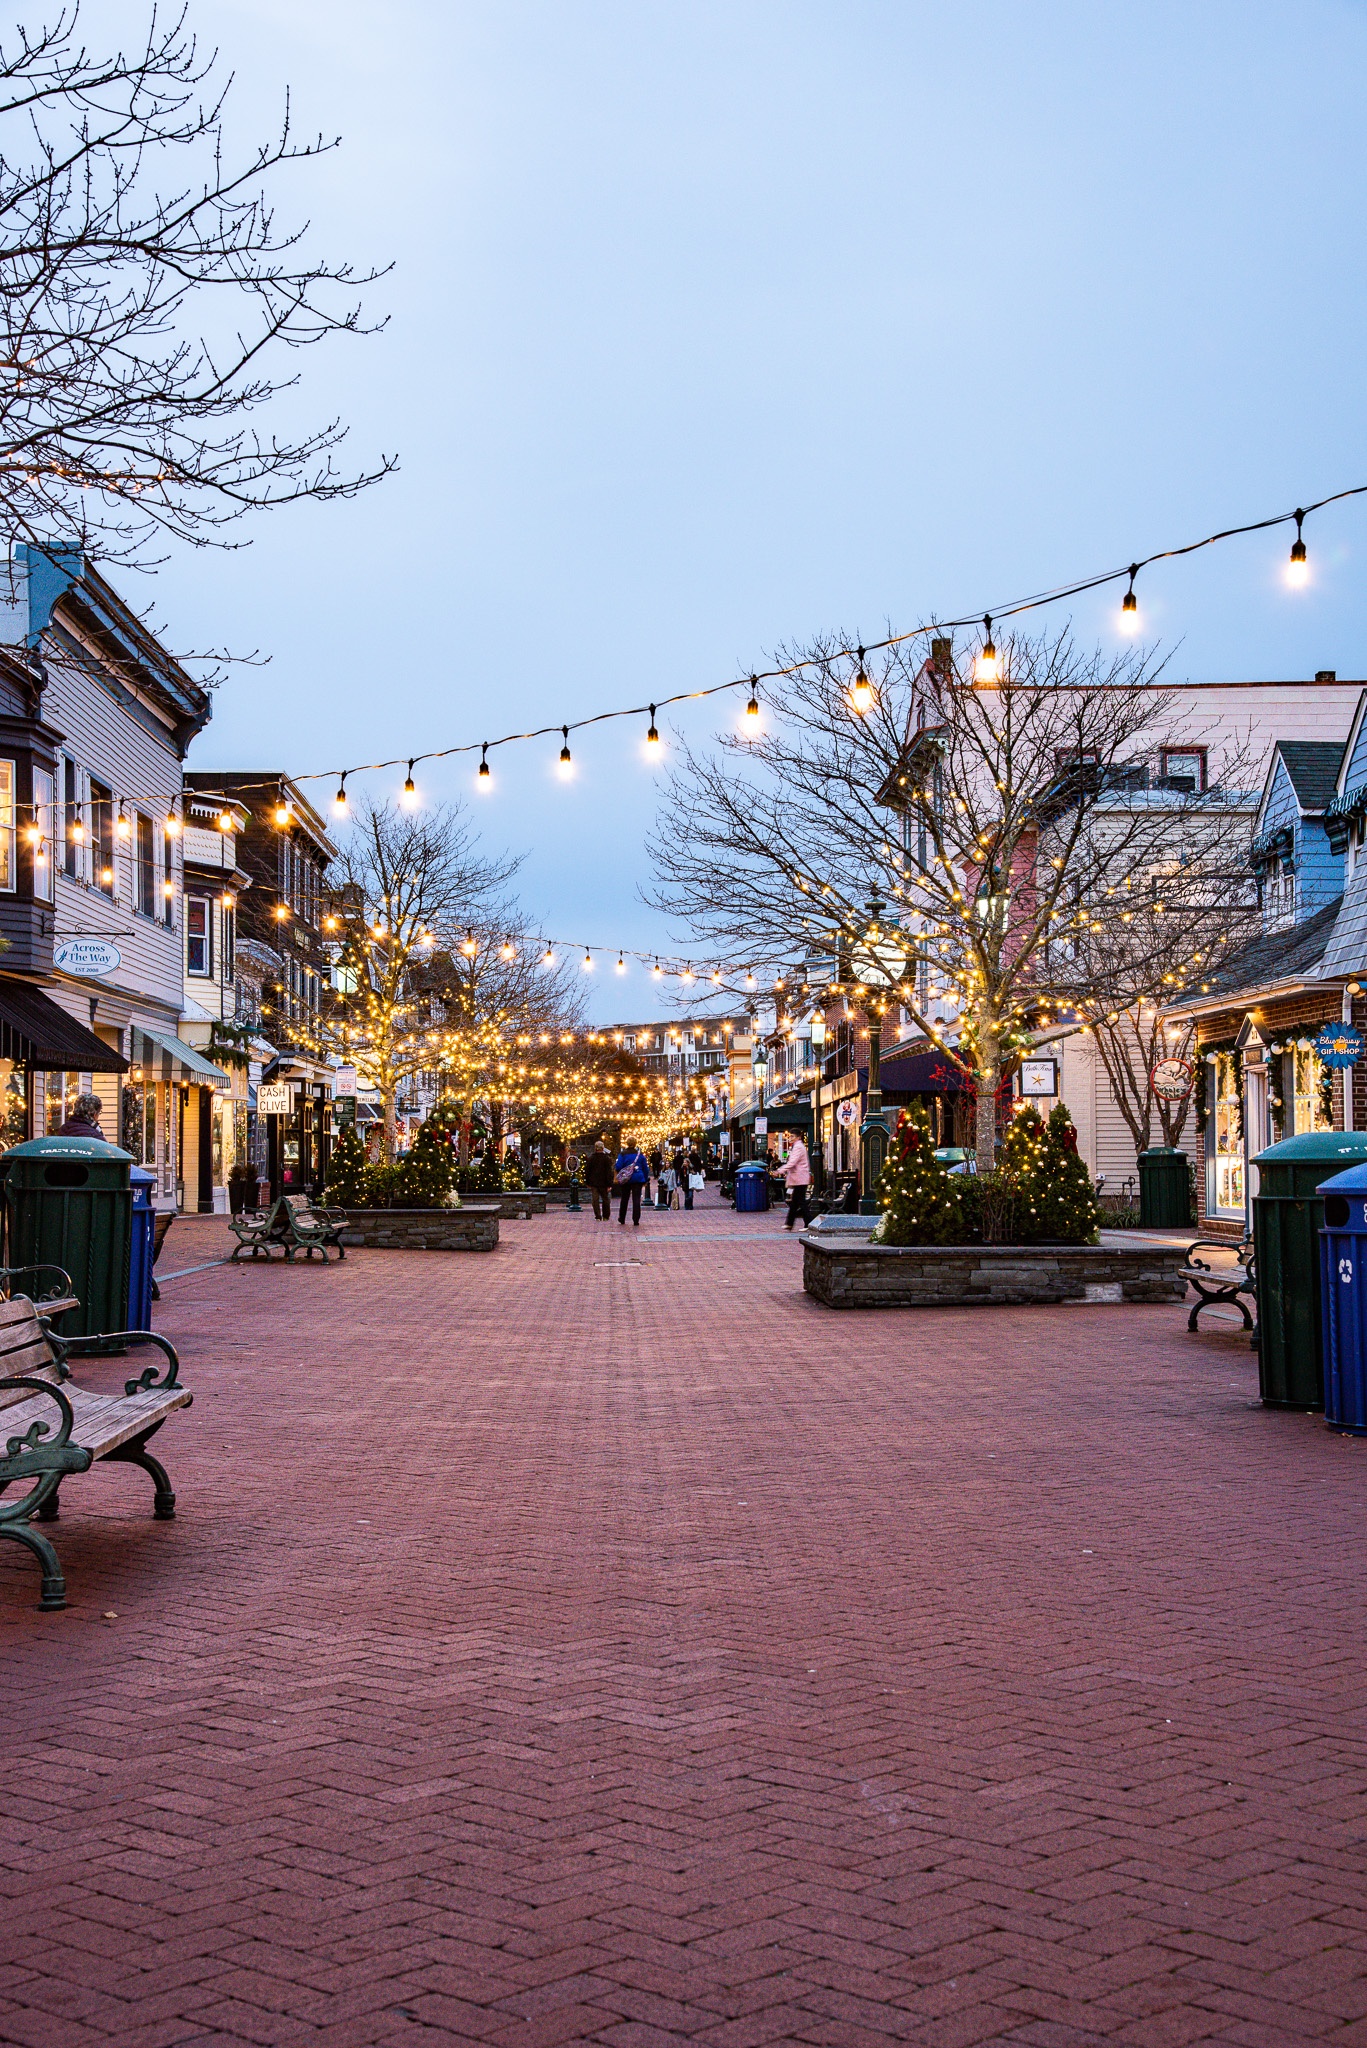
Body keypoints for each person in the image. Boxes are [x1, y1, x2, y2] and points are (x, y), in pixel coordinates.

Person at [614, 1138, 650, 1226]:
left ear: (627, 1143)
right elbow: (645, 1168)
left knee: (624, 1199)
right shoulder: (640, 1154)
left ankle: (622, 1218)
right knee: (636, 1199)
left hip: (626, 1179)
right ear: (635, 1143)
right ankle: (636, 1219)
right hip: (638, 1178)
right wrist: (645, 1179)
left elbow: (618, 1166)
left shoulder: (622, 1154)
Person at [782, 1134, 813, 1231]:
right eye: (790, 1136)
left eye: (792, 1136)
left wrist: (780, 1170)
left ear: (798, 1137)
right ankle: (789, 1223)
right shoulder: (797, 1146)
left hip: (800, 1178)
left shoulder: (798, 1147)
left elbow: (792, 1162)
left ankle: (809, 1223)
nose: (790, 1138)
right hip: (799, 1178)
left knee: (800, 1201)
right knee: (795, 1202)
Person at [583, 1139, 615, 1221]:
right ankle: (606, 1216)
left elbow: (587, 1171)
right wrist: (610, 1184)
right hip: (604, 1183)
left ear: (595, 1148)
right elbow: (609, 1172)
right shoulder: (607, 1159)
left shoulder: (591, 1158)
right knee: (605, 1200)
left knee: (595, 1200)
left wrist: (587, 1182)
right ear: (603, 1148)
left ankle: (598, 1216)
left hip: (594, 1183)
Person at [684, 1146, 703, 1211]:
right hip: (687, 1181)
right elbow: (700, 1165)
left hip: (690, 1180)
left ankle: (688, 1206)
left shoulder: (691, 1159)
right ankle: (688, 1206)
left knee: (689, 1194)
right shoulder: (697, 1157)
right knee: (688, 1195)